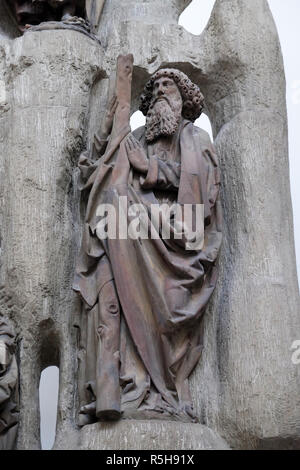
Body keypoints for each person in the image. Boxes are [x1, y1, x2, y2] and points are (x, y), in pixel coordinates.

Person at [74, 57, 222, 425]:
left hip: (180, 238)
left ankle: (163, 392)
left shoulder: (195, 138)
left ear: (183, 99)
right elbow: (99, 171)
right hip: (131, 232)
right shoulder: (137, 138)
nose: (159, 92)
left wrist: (149, 170)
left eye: (167, 87)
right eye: (154, 88)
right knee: (112, 276)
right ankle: (125, 387)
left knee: (163, 303)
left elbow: (199, 194)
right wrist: (108, 127)